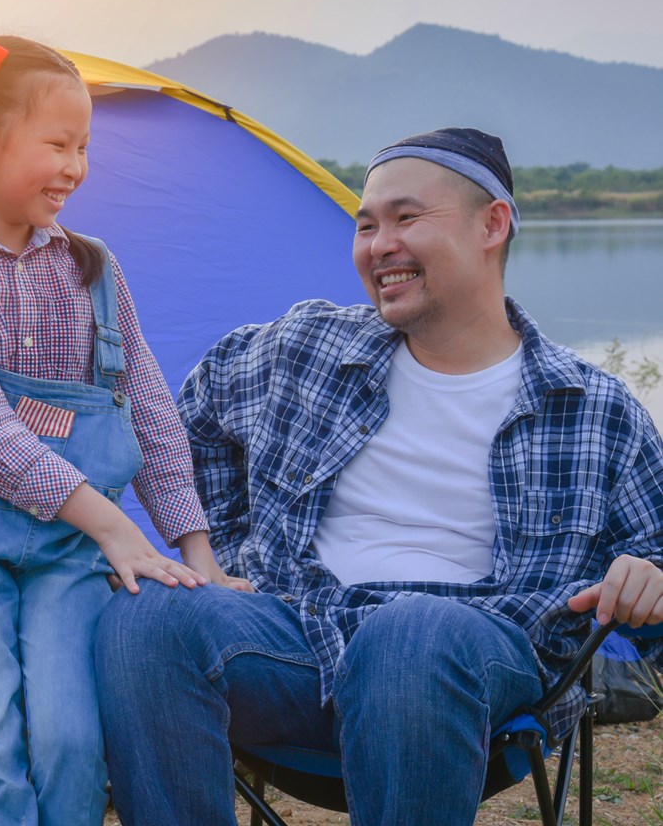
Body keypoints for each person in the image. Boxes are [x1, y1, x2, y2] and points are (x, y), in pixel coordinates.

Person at [95, 127, 663, 825]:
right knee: (149, 614)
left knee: (409, 633)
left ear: (493, 223)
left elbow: (657, 555)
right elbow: (182, 426)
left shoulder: (591, 409)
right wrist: (216, 554)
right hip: (296, 640)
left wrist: (652, 580)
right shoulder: (303, 349)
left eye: (405, 218)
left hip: (480, 659)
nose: (377, 245)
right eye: (365, 225)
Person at [0, 36, 233, 825]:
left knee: (73, 745)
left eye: (85, 148)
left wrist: (195, 551)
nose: (75, 167)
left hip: (68, 554)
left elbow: (148, 412)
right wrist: (114, 526)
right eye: (57, 145)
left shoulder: (93, 269)